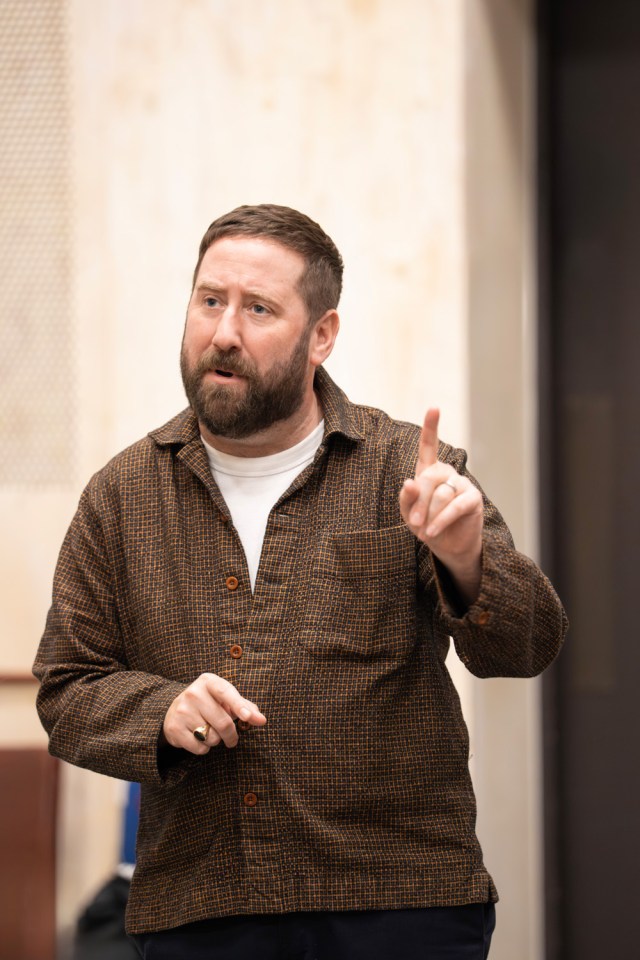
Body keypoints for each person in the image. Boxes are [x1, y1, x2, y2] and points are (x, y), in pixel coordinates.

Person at [34, 204, 567, 960]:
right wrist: (160, 710)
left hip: (400, 907)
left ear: (322, 336)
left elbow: (530, 643)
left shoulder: (402, 469)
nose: (224, 332)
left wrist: (465, 556)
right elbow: (66, 687)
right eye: (210, 300)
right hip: (201, 912)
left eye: (258, 309)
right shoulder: (121, 497)